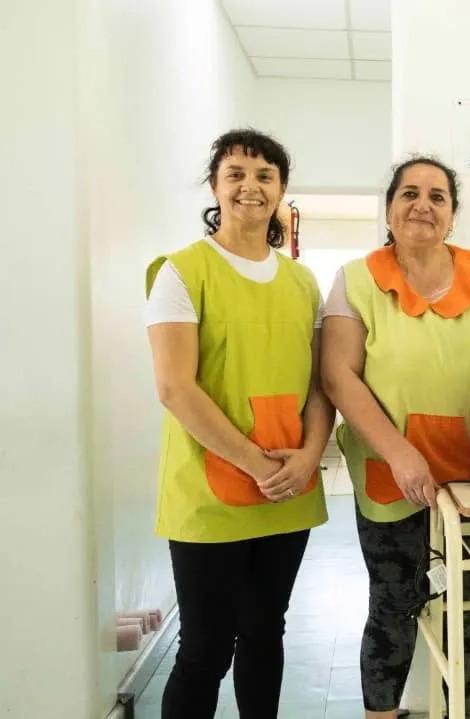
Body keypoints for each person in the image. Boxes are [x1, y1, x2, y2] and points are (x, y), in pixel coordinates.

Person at [321, 156, 470, 719]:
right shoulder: (356, 279)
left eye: (437, 196)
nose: (422, 205)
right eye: (409, 193)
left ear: (452, 215)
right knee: (392, 603)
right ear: (389, 210)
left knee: (464, 602)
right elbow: (337, 376)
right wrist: (400, 454)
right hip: (390, 466)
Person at [144, 128, 333, 718]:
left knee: (266, 630)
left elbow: (319, 385)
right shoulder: (182, 272)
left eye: (265, 175)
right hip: (210, 493)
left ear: (281, 190)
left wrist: (310, 456)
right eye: (236, 174)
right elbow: (175, 388)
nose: (251, 186)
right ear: (214, 187)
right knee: (204, 649)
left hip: (288, 489)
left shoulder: (302, 282)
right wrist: (255, 463)